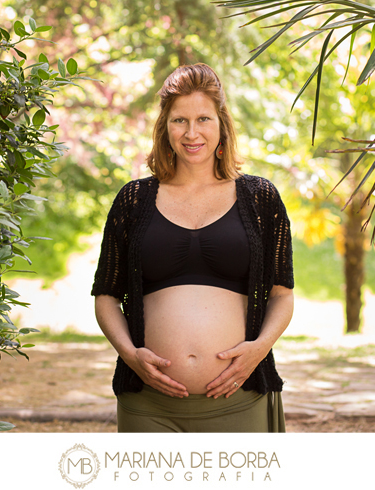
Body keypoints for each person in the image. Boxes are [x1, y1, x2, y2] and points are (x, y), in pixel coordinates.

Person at [91, 63, 294, 432]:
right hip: (147, 405)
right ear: (164, 127)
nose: (191, 133)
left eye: (203, 119)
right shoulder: (133, 201)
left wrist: (258, 350)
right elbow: (106, 297)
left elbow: (282, 294)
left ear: (222, 125)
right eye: (179, 121)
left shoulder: (259, 198)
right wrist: (131, 356)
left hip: (239, 398)